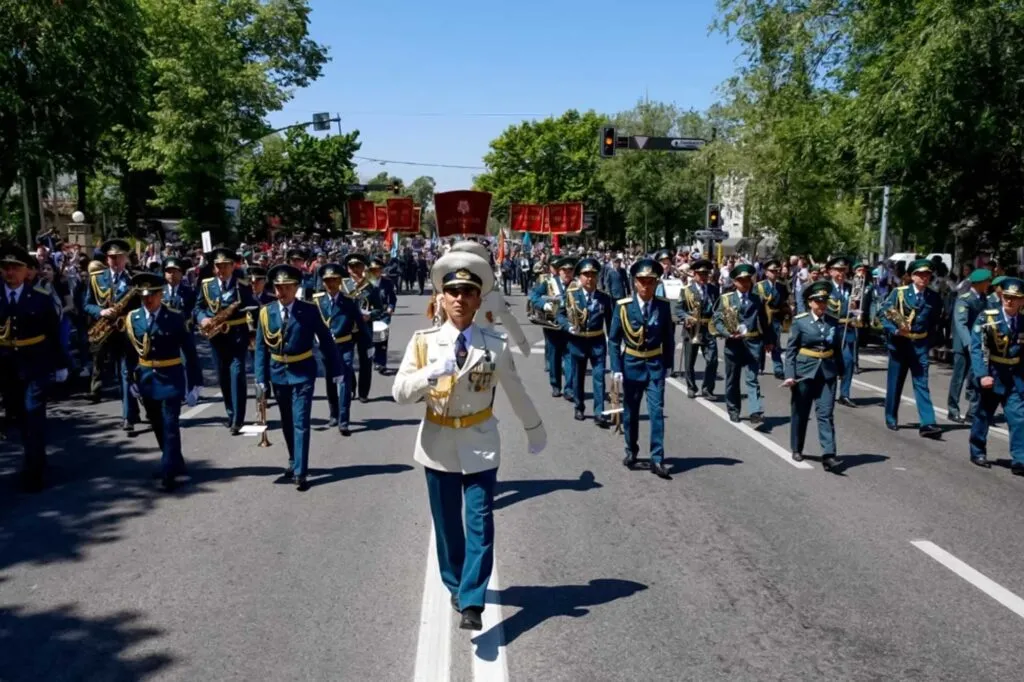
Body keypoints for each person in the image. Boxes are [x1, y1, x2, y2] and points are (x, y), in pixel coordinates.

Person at [392, 251, 546, 631]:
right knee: (447, 526)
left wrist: (533, 427)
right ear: (441, 299)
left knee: (480, 520)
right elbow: (399, 392)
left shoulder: (493, 344)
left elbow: (514, 388)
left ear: (479, 300)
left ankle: (473, 599)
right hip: (438, 441)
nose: (460, 298)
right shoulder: (423, 342)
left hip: (480, 440)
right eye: (453, 292)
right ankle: (457, 585)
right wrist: (429, 374)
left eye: (468, 292)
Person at [255, 264, 342, 491]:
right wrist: (260, 378)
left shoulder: (309, 310)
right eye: (278, 287)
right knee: (286, 420)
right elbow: (261, 348)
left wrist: (337, 369)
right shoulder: (266, 312)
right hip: (278, 373)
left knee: (301, 421)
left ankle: (301, 472)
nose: (281, 292)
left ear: (295, 288)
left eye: (286, 287)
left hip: (302, 371)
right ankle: (293, 461)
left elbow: (325, 340)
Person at [0, 245, 70, 492]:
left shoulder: (39, 297)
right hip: (8, 368)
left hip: (36, 365)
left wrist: (61, 363)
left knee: (33, 415)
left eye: (15, 268)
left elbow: (53, 334)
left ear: (25, 271)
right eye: (6, 268)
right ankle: (34, 458)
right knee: (19, 417)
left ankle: (34, 470)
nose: (10, 273)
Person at [124, 272, 203, 491]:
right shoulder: (133, 318)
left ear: (161, 295)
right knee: (157, 424)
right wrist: (130, 378)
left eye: (152, 295)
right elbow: (130, 353)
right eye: (143, 296)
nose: (148, 300)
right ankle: (174, 460)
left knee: (170, 425)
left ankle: (168, 470)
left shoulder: (175, 317)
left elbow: (190, 351)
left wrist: (195, 383)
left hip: (171, 377)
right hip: (147, 378)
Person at [608, 258, 675, 479]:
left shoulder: (663, 306)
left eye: (651, 281)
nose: (646, 286)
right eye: (642, 281)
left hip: (655, 365)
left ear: (656, 283)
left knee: (656, 413)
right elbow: (614, 339)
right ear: (635, 283)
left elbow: (669, 338)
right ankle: (631, 450)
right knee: (631, 413)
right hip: (632, 365)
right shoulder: (624, 306)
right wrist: (616, 367)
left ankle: (657, 458)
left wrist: (668, 365)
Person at [195, 247, 258, 435]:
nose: (221, 270)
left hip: (237, 333)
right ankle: (230, 413)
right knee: (222, 375)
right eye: (218, 266)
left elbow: (254, 307)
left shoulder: (242, 285)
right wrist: (203, 319)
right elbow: (198, 308)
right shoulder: (207, 285)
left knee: (237, 372)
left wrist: (253, 331)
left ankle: (238, 419)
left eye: (225, 266)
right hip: (216, 336)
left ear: (232, 266)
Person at [878, 258, 943, 437]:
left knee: (922, 383)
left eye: (927, 275)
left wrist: (928, 343)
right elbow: (883, 314)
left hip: (920, 345)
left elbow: (934, 323)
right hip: (899, 344)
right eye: (920, 274)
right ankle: (891, 417)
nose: (924, 278)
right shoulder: (899, 293)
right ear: (912, 276)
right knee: (895, 382)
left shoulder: (934, 297)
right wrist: (894, 331)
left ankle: (928, 423)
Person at [783, 281, 843, 472]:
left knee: (825, 413)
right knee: (801, 412)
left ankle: (829, 455)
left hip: (827, 372)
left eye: (824, 301)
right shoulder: (800, 321)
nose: (821, 305)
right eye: (817, 301)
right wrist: (789, 375)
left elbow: (837, 349)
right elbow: (791, 350)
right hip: (804, 371)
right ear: (810, 303)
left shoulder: (833, 321)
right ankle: (797, 447)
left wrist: (841, 371)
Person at [83, 238, 141, 430]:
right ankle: (134, 409)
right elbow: (86, 304)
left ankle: (128, 417)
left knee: (126, 372)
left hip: (126, 332)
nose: (115, 261)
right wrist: (100, 312)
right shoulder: (96, 278)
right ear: (106, 259)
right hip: (104, 329)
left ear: (125, 258)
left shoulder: (135, 280)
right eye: (111, 258)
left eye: (119, 257)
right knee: (115, 373)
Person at [968, 277, 1024, 470]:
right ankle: (977, 451)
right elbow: (977, 347)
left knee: (1018, 417)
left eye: (1015, 298)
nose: (1010, 301)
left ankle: (1020, 459)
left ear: (1022, 300)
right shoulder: (988, 317)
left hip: (1015, 377)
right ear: (1001, 296)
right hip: (993, 372)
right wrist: (983, 374)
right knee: (983, 414)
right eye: (1007, 296)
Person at [713, 263, 775, 424]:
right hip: (734, 345)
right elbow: (718, 321)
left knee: (752, 378)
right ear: (734, 282)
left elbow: (764, 321)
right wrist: (727, 333)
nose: (745, 283)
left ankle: (755, 411)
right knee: (733, 380)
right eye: (741, 280)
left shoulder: (757, 299)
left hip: (753, 343)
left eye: (747, 280)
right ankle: (733, 409)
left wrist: (768, 341)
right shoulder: (726, 299)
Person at [314, 263, 371, 435]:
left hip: (344, 346)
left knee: (344, 382)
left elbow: (361, 325)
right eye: (327, 280)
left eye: (334, 280)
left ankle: (343, 420)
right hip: (326, 349)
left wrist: (368, 344)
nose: (331, 283)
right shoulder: (318, 301)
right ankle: (334, 413)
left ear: (340, 282)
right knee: (330, 380)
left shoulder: (349, 302)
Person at [447, 240, 531, 356]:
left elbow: (508, 319)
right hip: (452, 352)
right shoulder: (445, 295)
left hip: (484, 353)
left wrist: (523, 345)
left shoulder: (492, 294)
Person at [557, 257, 612, 425]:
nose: (590, 278)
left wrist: (614, 343)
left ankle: (599, 412)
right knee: (578, 377)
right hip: (578, 342)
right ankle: (579, 407)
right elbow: (560, 315)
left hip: (597, 342)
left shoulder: (604, 298)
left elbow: (610, 323)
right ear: (580, 277)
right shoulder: (572, 295)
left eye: (593, 275)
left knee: (599, 377)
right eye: (586, 274)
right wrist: (568, 326)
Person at [948, 268, 992, 424]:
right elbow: (961, 323)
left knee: (975, 378)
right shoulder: (964, 298)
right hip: (964, 344)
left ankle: (972, 412)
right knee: (958, 378)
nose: (989, 284)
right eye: (987, 282)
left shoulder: (984, 299)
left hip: (978, 345)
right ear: (979, 283)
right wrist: (969, 343)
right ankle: (953, 409)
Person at [530, 257, 575, 399]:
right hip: (553, 326)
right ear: (559, 272)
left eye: (570, 271)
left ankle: (569, 389)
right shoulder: (549, 283)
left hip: (571, 326)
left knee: (570, 357)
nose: (567, 273)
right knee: (554, 357)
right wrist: (544, 305)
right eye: (564, 271)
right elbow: (534, 296)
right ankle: (556, 385)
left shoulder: (576, 285)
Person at [342, 253, 382, 402]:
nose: (355, 269)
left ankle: (363, 393)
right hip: (346, 328)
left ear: (363, 268)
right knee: (346, 360)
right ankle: (350, 387)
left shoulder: (371, 285)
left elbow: (379, 308)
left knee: (366, 360)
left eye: (358, 266)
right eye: (352, 267)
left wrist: (370, 315)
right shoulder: (342, 285)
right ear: (348, 269)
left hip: (365, 329)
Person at [679, 258, 719, 399]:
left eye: (706, 274)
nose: (703, 277)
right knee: (690, 361)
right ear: (694, 275)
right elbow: (679, 309)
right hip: (692, 329)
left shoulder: (714, 289)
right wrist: (686, 317)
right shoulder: (687, 291)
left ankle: (707, 389)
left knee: (712, 359)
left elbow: (718, 308)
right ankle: (691, 387)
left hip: (708, 328)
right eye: (700, 274)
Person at [825, 257, 858, 407]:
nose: (841, 273)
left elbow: (857, 309)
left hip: (847, 328)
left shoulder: (851, 288)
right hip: (831, 329)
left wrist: (857, 313)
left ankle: (845, 394)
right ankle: (828, 391)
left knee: (849, 361)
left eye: (843, 270)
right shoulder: (826, 288)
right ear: (830, 271)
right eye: (838, 270)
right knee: (830, 362)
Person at [756, 259, 786, 380]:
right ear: (766, 272)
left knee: (776, 343)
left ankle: (778, 369)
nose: (774, 273)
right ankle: (759, 366)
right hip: (762, 318)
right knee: (761, 343)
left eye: (776, 271)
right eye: (772, 271)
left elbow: (784, 303)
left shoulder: (781, 287)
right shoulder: (760, 286)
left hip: (775, 318)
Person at [368, 256, 397, 375]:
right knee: (371, 339)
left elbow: (392, 298)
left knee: (382, 339)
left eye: (377, 269)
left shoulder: (387, 282)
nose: (375, 272)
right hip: (369, 314)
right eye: (373, 270)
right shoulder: (366, 283)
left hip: (383, 314)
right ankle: (374, 358)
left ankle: (381, 362)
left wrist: (391, 307)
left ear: (381, 270)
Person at [161, 257, 196, 328]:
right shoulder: (159, 292)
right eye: (169, 272)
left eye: (174, 271)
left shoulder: (189, 291)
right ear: (164, 274)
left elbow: (193, 311)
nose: (171, 274)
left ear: (181, 273)